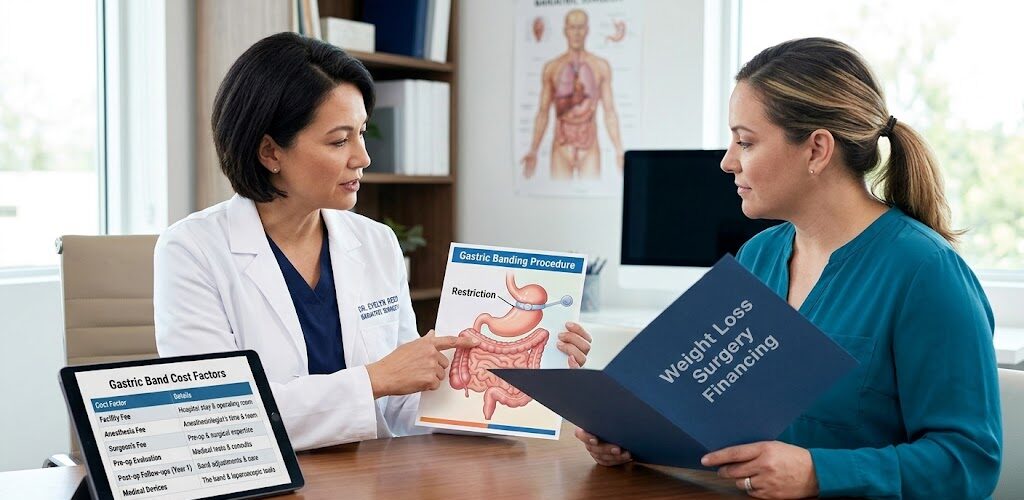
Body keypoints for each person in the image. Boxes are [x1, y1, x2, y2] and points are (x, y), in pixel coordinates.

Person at [575, 37, 1001, 499]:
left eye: (745, 142)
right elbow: (707, 412)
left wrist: (819, 472)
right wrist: (632, 438)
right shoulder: (757, 256)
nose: (727, 161)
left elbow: (968, 464)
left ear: (817, 149)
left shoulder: (927, 274)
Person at [154, 32, 593, 451]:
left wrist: (529, 374)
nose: (363, 157)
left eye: (362, 133)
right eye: (339, 140)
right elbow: (216, 416)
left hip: (369, 479)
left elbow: (401, 408)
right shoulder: (192, 252)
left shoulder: (376, 242)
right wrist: (374, 379)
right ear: (270, 152)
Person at [521, 8, 624, 180]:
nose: (576, 33)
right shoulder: (552, 68)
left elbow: (610, 112)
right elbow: (543, 112)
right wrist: (533, 150)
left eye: (580, 27)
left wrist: (620, 150)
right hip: (561, 146)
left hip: (589, 146)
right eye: (572, 28)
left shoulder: (601, 66)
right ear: (565, 31)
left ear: (587, 30)